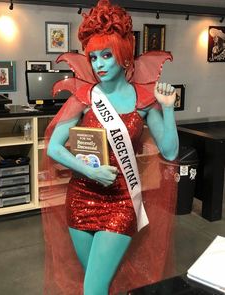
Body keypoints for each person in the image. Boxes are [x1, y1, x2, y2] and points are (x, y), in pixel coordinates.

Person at [43, 1, 179, 294]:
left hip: (121, 201)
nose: (100, 64)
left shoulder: (143, 100)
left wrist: (168, 109)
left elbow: (169, 152)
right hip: (81, 199)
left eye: (107, 55)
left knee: (93, 287)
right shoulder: (84, 97)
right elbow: (54, 147)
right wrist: (87, 171)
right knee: (98, 280)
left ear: (124, 56)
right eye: (94, 58)